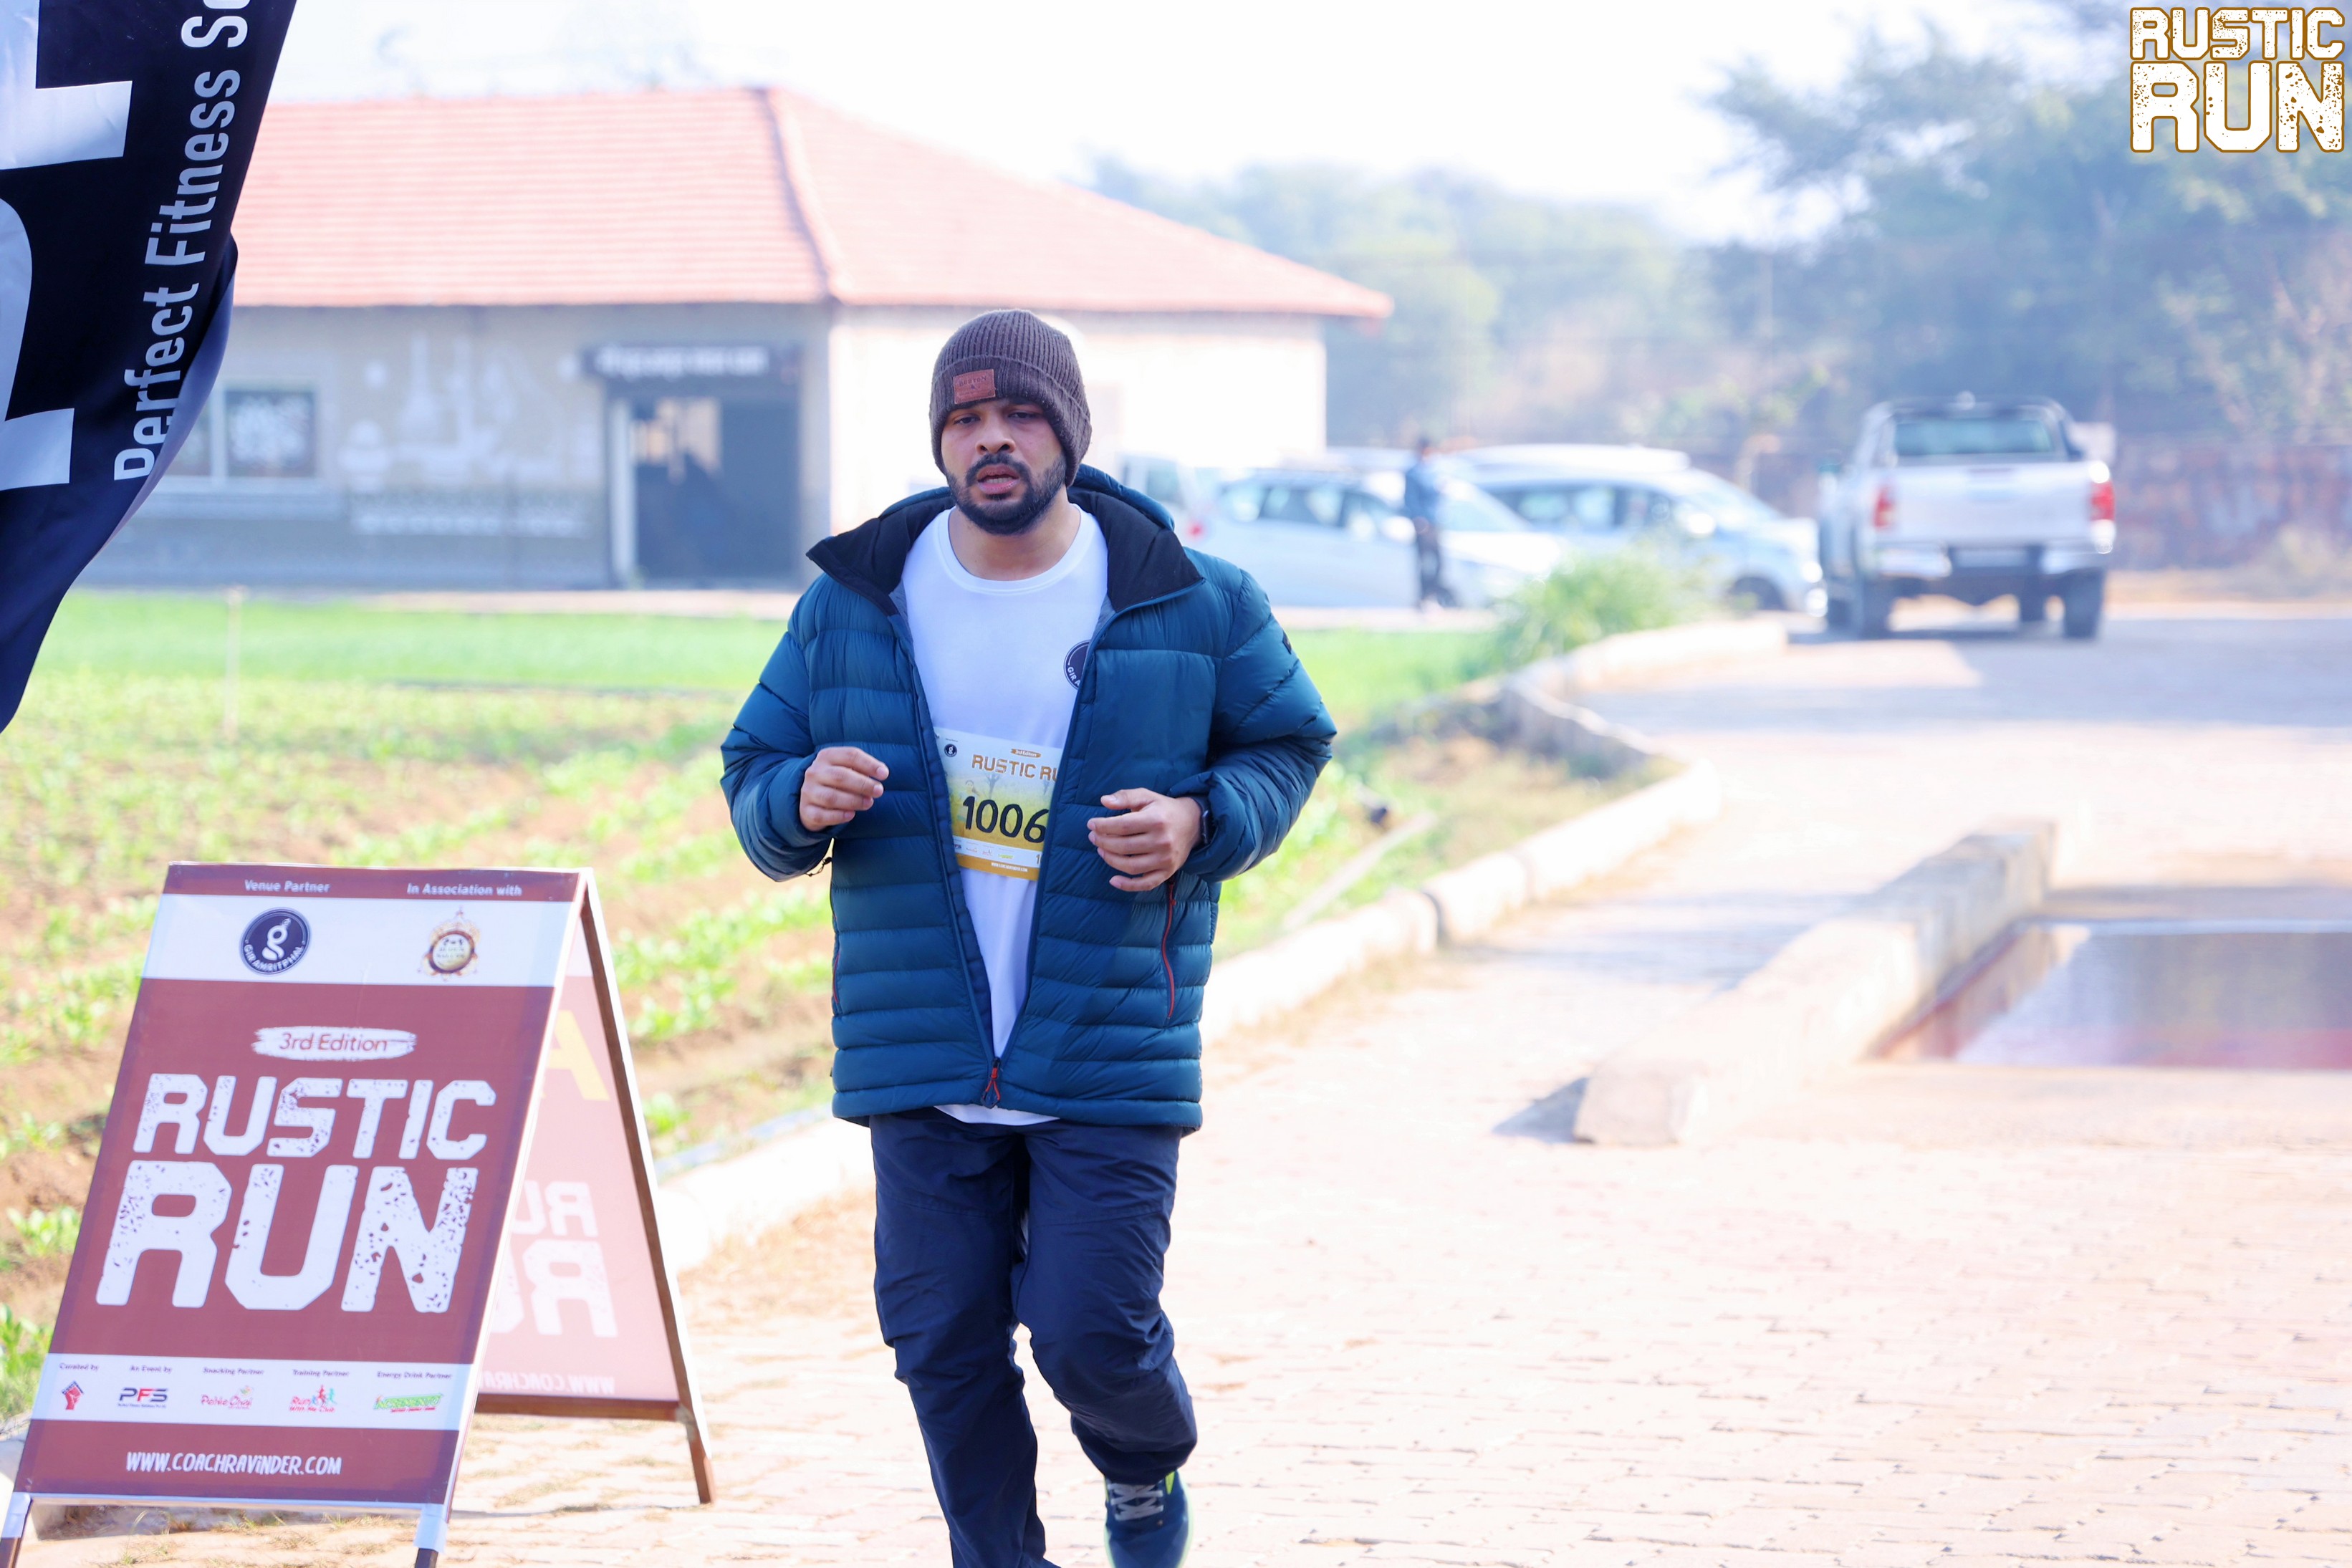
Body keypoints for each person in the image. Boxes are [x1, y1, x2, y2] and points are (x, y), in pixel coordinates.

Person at [721, 309, 1334, 1568]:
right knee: (939, 1341)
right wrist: (796, 798)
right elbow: (754, 767)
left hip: (1106, 1034)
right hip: (921, 1044)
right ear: (938, 439)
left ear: (1069, 431)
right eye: (964, 419)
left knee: (1089, 1333)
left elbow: (1287, 741)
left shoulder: (1192, 598)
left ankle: (1142, 1467)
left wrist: (1202, 819)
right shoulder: (854, 602)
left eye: (1018, 415)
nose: (990, 439)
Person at [1401, 436, 1453, 607]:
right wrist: (1417, 518)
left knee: (1438, 562)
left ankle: (1435, 594)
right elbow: (1410, 498)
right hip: (1423, 524)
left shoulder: (1436, 470)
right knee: (1424, 562)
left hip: (1436, 521)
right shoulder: (1413, 472)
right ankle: (1423, 597)